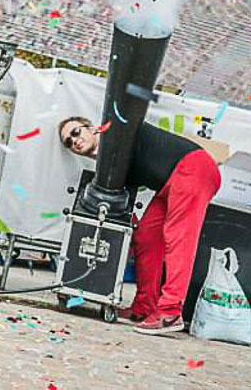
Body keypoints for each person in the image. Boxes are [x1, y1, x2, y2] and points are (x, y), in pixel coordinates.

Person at [61, 114, 221, 334]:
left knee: (178, 238)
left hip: (192, 167)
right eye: (69, 142)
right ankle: (144, 307)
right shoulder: (107, 164)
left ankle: (170, 312)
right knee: (146, 235)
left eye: (76, 132)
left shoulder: (115, 129)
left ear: (92, 128)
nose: (74, 141)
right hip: (168, 183)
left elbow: (129, 112)